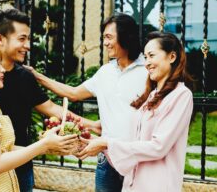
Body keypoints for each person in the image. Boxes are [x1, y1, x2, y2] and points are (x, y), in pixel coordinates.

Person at [0, 9, 98, 192]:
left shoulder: (20, 80)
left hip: (20, 168)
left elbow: (52, 108)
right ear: (0, 39)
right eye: (21, 39)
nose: (28, 45)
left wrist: (91, 126)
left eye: (28, 39)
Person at [26, 13, 148, 192]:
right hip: (107, 160)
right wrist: (37, 76)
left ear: (126, 36)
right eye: (104, 37)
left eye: (109, 37)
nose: (105, 43)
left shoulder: (147, 71)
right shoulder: (105, 72)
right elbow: (73, 93)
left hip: (137, 159)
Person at [78, 31, 194, 192]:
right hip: (133, 184)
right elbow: (134, 143)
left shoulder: (181, 95)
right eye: (145, 57)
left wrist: (106, 143)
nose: (147, 63)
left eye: (152, 55)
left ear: (172, 57)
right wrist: (99, 144)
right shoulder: (152, 96)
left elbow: (158, 147)